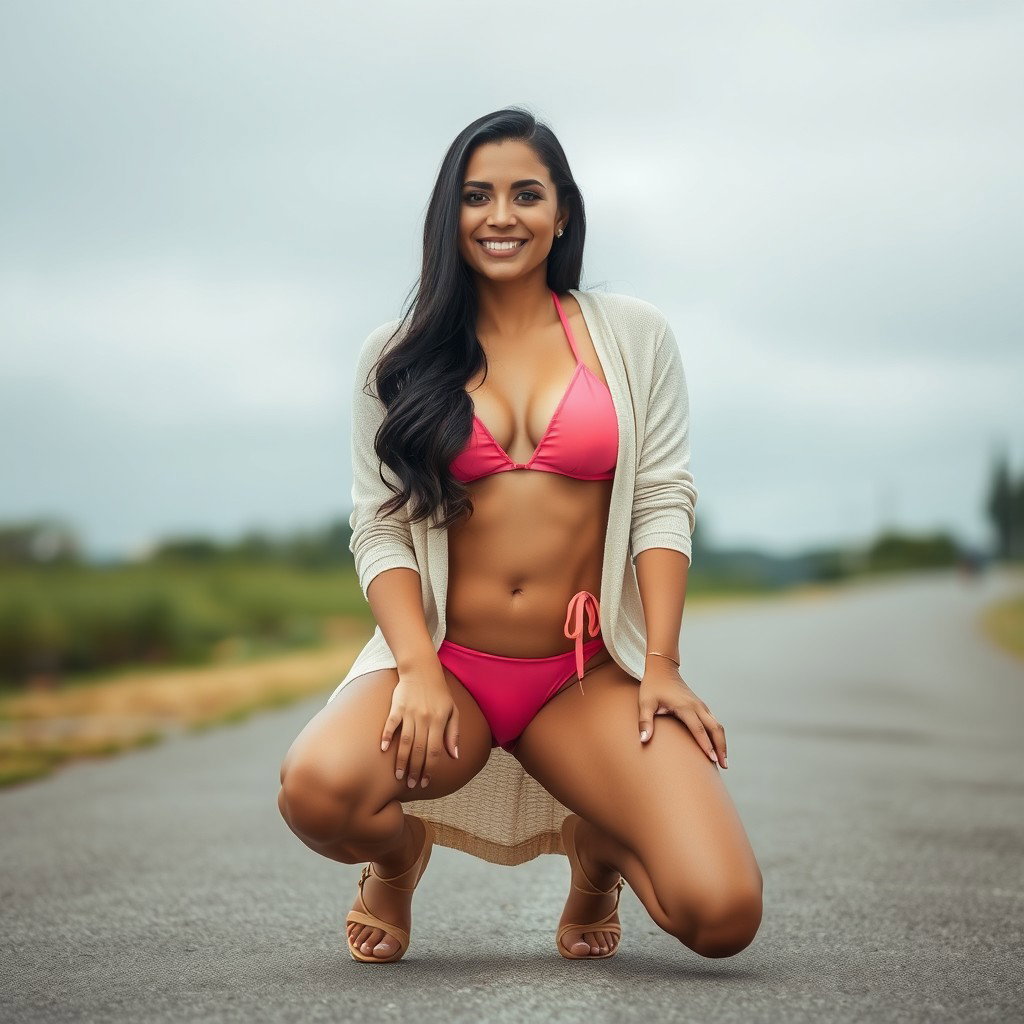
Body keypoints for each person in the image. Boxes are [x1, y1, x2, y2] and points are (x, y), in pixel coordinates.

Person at [278, 107, 763, 964]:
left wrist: (661, 665)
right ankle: (397, 858)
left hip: (581, 677)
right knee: (317, 793)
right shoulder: (394, 358)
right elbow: (380, 528)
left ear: (563, 211)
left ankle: (598, 851)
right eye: (477, 197)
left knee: (720, 916)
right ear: (449, 215)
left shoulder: (635, 337)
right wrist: (418, 671)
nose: (501, 216)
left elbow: (659, 499)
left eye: (525, 194)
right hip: (450, 666)